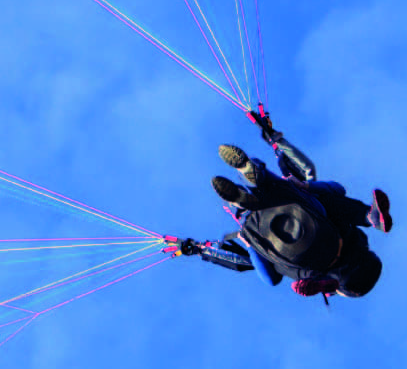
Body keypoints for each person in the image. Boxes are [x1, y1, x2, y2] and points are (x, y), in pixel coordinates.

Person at [166, 109, 392, 298]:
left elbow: (329, 188)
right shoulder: (326, 273)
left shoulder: (355, 240)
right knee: (271, 274)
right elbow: (263, 275)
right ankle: (249, 210)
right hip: (271, 237)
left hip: (297, 205)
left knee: (316, 190)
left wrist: (279, 145)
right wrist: (203, 249)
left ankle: (367, 216)